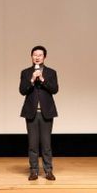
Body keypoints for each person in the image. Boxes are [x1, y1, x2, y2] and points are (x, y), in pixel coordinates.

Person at [19, 45, 59, 181]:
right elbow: (22, 90)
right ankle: (34, 171)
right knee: (33, 144)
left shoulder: (51, 72)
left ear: (44, 57)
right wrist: (31, 80)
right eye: (35, 55)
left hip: (46, 113)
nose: (37, 57)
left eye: (40, 55)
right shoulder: (25, 72)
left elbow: (55, 89)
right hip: (31, 113)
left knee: (46, 144)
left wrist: (42, 79)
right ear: (31, 56)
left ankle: (48, 171)